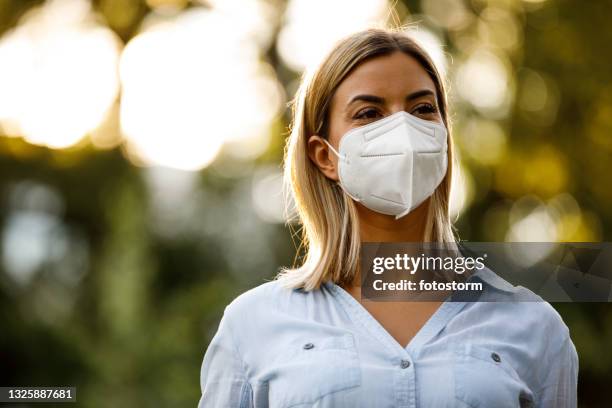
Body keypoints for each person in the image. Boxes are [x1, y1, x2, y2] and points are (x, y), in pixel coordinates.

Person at [197, 27, 578, 407]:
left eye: (423, 109)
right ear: (325, 155)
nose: (404, 129)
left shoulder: (533, 327)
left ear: (444, 135)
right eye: (369, 113)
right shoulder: (253, 325)